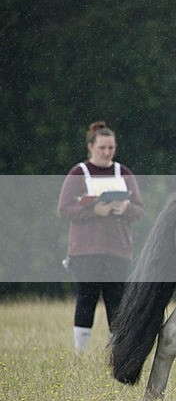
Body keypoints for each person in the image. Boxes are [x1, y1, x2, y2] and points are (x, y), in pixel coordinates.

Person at [57, 121, 144, 353]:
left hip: (117, 250)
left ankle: (117, 351)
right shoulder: (79, 173)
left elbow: (139, 209)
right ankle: (80, 351)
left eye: (111, 148)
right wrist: (92, 211)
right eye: (102, 147)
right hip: (86, 251)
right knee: (86, 298)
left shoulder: (123, 173)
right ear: (91, 147)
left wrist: (124, 208)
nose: (107, 152)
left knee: (116, 302)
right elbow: (64, 208)